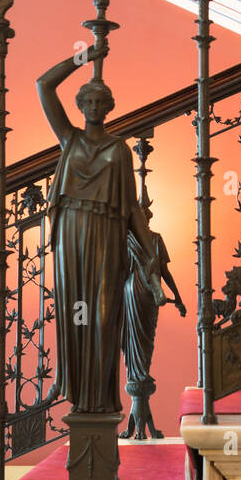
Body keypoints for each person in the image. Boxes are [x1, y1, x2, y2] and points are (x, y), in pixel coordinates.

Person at [37, 47, 164, 415]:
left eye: (100, 101)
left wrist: (150, 253)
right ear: (80, 105)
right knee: (77, 310)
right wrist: (83, 57)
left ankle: (100, 397)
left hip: (107, 238)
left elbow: (130, 209)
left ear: (108, 107)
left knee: (104, 315)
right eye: (88, 100)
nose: (93, 106)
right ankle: (81, 397)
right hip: (72, 234)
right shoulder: (70, 139)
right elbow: (44, 85)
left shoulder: (119, 150)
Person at [121, 208, 186, 440]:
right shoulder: (143, 239)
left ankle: (137, 415)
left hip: (138, 293)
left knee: (140, 346)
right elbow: (164, 272)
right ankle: (139, 420)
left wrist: (178, 297)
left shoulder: (133, 238)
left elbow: (163, 271)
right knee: (141, 346)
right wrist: (177, 297)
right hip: (140, 293)